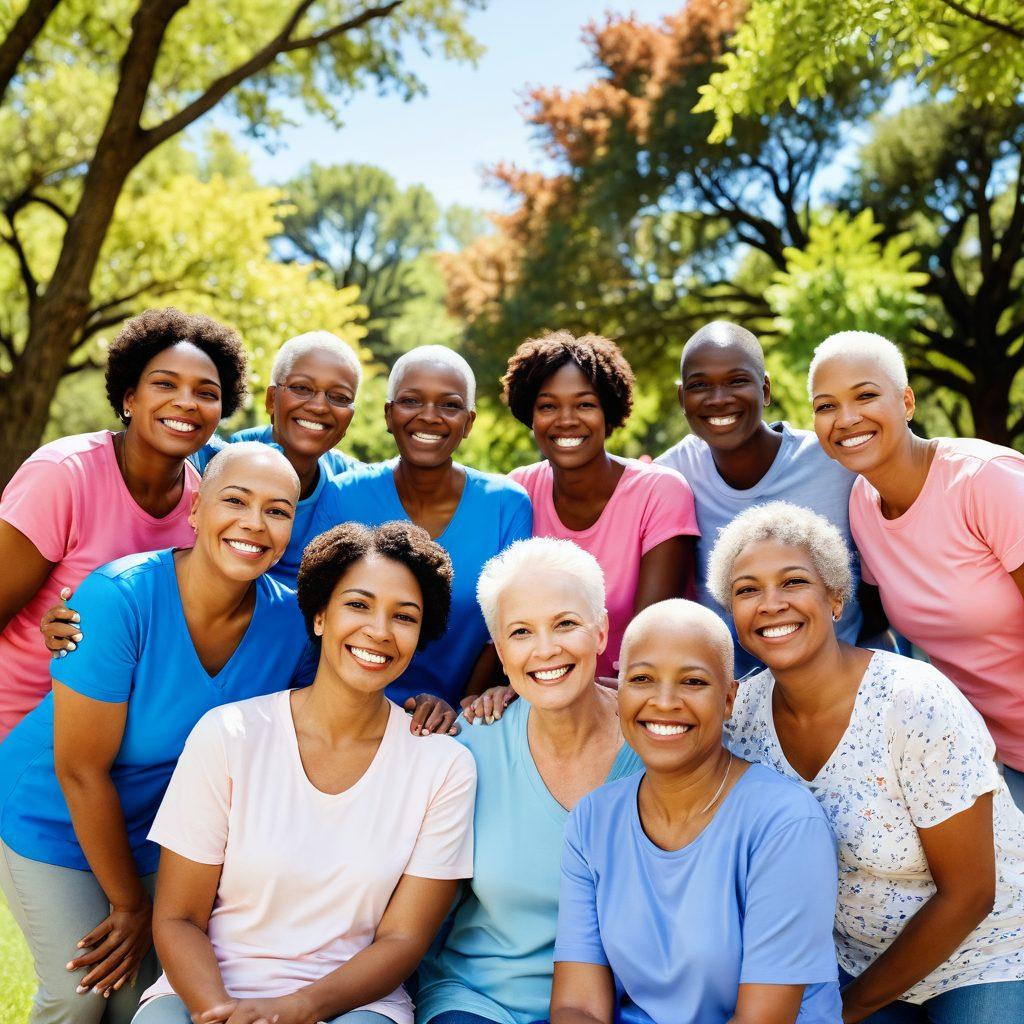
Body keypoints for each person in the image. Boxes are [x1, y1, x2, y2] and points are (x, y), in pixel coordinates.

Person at [0, 445, 316, 1024]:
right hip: (52, 814)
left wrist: (428, 708)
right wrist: (130, 905)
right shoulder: (119, 598)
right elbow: (80, 770)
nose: (254, 523)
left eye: (277, 510)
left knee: (136, 1003)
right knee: (80, 993)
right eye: (235, 501)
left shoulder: (290, 625)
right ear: (195, 509)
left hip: (164, 834)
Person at [132, 521, 476, 1024]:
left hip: (357, 1005)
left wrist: (296, 1010)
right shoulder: (228, 735)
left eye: (404, 617)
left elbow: (402, 940)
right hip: (207, 992)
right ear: (319, 615)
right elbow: (179, 918)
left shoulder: (443, 766)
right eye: (357, 605)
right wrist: (219, 1012)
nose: (379, 631)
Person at [710, 501, 1024, 1022]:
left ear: (835, 598)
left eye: (793, 582)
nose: (770, 604)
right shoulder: (740, 718)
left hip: (985, 952)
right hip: (849, 960)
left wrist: (842, 1012)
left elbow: (970, 895)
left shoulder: (913, 703)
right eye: (747, 590)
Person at [550, 600, 842, 1024]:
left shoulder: (785, 824)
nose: (664, 702)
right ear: (620, 691)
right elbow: (576, 1006)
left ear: (728, 699)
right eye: (643, 678)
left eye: (692, 681)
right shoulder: (593, 819)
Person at [415, 538, 642, 1024]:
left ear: (601, 631)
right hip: (484, 1002)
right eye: (521, 632)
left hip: (630, 1007)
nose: (545, 649)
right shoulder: (467, 749)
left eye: (566, 623)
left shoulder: (661, 745)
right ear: (499, 652)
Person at [0, 307, 248, 737]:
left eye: (206, 393)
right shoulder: (64, 474)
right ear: (129, 399)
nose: (186, 402)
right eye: (165, 384)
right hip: (16, 729)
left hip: (111, 743)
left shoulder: (203, 505)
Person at [808, 331, 1024, 807]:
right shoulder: (863, 505)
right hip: (985, 757)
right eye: (826, 406)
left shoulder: (985, 480)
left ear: (906, 401)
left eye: (866, 395)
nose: (846, 418)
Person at [311, 345, 532, 733]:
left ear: (469, 422)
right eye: (412, 401)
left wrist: (460, 706)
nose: (429, 416)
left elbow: (503, 629)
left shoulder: (506, 505)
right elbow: (322, 616)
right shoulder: (343, 496)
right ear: (388, 414)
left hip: (464, 721)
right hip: (350, 712)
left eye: (449, 405)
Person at [654, 320, 864, 676]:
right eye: (700, 386)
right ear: (681, 399)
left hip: (839, 676)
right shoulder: (670, 478)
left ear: (765, 390)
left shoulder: (834, 463)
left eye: (737, 381)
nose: (719, 399)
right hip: (733, 695)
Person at [504, 331, 698, 682]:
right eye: (548, 406)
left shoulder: (660, 492)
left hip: (641, 694)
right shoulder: (520, 490)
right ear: (529, 415)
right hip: (543, 691)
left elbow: (648, 641)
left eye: (584, 404)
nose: (566, 419)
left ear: (609, 413)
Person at [187, 330, 363, 589]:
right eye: (302, 388)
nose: (319, 407)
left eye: (339, 397)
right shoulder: (217, 460)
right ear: (271, 399)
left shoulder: (352, 485)